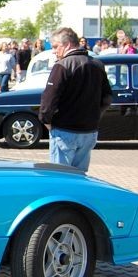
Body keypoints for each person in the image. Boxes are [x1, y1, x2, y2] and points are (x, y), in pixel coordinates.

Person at [39, 27, 112, 172]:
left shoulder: (62, 66)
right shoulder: (97, 65)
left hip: (65, 130)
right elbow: (107, 97)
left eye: (55, 47)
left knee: (60, 176)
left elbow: (49, 100)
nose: (53, 51)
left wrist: (47, 121)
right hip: (88, 131)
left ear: (67, 45)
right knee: (79, 177)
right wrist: (94, 117)